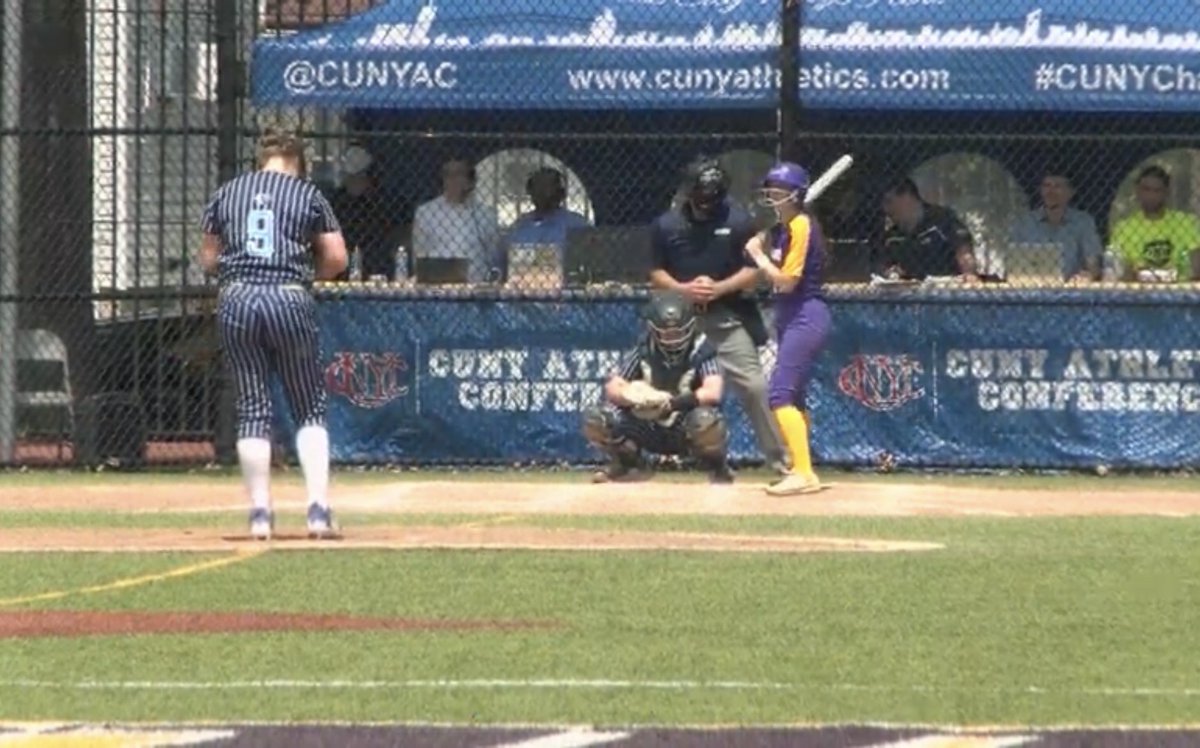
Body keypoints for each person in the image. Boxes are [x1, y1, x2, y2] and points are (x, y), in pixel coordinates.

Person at [197, 128, 348, 540]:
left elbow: (208, 259)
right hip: (288, 297)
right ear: (298, 161)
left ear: (259, 159)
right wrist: (305, 275)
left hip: (239, 298)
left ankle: (260, 512)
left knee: (252, 407)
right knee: (309, 407)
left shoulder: (227, 193)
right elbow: (336, 258)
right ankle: (317, 510)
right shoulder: (308, 195)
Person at [648, 155, 789, 476]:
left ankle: (781, 461)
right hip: (679, 321)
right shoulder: (667, 225)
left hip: (727, 317)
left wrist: (719, 288)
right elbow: (655, 273)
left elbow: (755, 272)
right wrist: (685, 289)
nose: (706, 205)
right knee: (659, 386)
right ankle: (636, 456)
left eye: (712, 198)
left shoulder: (739, 222)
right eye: (700, 197)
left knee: (753, 386)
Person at [581, 289, 733, 484]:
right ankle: (628, 464)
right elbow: (613, 386)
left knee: (706, 421)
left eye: (677, 333)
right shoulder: (646, 348)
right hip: (647, 424)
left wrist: (671, 404)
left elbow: (713, 391)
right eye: (666, 334)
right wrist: (632, 397)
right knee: (598, 418)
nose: (672, 340)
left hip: (683, 423)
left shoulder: (701, 349)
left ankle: (717, 468)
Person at [743, 162, 832, 496]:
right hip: (789, 315)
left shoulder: (802, 225)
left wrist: (760, 258)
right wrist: (762, 244)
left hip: (805, 314)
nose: (772, 196)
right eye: (771, 190)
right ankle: (800, 466)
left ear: (796, 194)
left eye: (779, 191)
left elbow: (788, 281)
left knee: (779, 393)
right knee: (795, 396)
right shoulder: (784, 229)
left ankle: (805, 473)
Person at [411, 158, 501, 284]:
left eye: (458, 174)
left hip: (475, 285)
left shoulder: (486, 214)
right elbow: (419, 254)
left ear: (470, 181)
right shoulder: (426, 212)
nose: (452, 180)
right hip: (437, 285)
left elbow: (493, 253)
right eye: (447, 175)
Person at [499, 166, 590, 286]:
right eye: (539, 187)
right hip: (522, 288)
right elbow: (502, 262)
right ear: (530, 192)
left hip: (565, 290)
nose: (544, 193)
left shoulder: (576, 224)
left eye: (549, 187)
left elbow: (590, 261)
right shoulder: (520, 225)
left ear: (561, 193)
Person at [1008, 167, 1102, 282]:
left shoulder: (1083, 222)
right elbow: (1012, 261)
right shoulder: (1024, 222)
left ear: (1071, 192)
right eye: (1047, 186)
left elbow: (1093, 261)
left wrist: (1087, 276)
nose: (1050, 191)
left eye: (1057, 186)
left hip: (1070, 288)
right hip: (1030, 286)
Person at [877, 177, 979, 282]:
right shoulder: (892, 236)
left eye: (889, 201)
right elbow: (887, 266)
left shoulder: (943, 220)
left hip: (947, 290)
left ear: (907, 196)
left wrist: (969, 274)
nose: (886, 209)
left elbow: (964, 252)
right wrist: (892, 273)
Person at [1110, 165, 1200, 282]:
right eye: (1146, 189)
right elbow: (1120, 270)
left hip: (1180, 290)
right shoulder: (1124, 228)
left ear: (1166, 193)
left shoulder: (1186, 222)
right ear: (1137, 191)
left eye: (1157, 191)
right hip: (1137, 292)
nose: (1151, 196)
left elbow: (1196, 265)